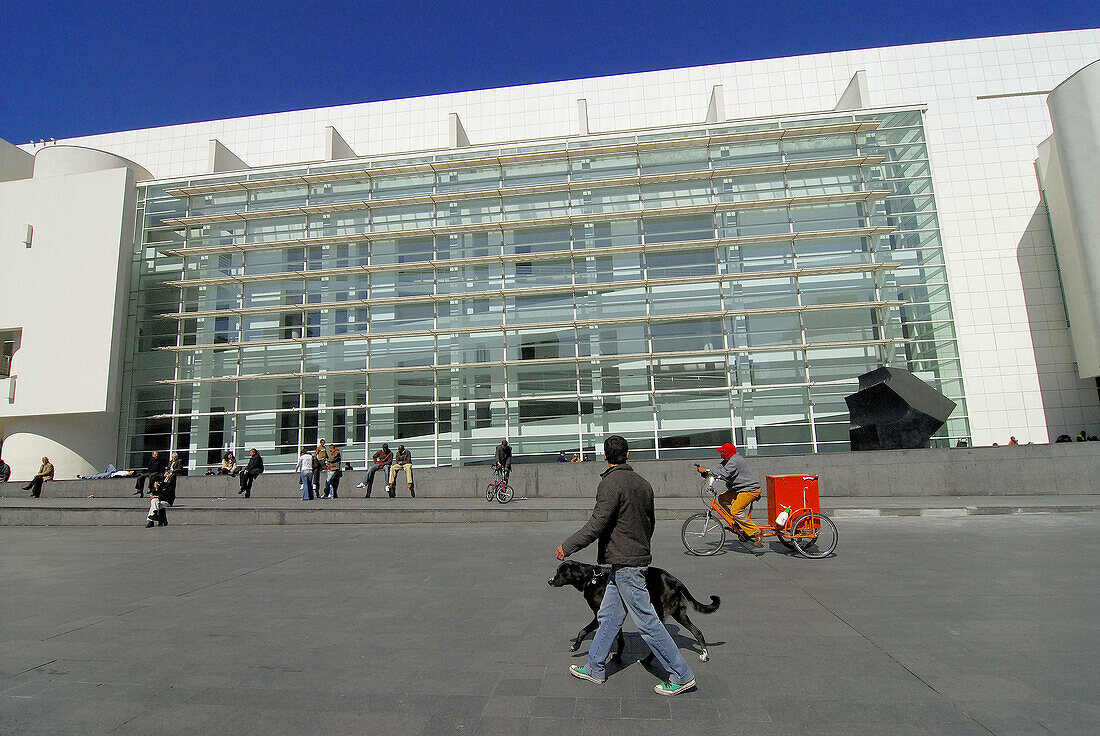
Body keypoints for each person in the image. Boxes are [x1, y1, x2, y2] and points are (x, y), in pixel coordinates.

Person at [554, 435, 696, 696]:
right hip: (627, 562)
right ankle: (595, 667)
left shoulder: (610, 484)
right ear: (627, 455)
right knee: (609, 616)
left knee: (646, 621)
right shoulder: (643, 484)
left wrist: (568, 546)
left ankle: (681, 674)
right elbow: (650, 523)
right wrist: (640, 547)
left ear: (606, 456)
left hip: (626, 564)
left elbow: (597, 524)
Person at [695, 442, 763, 547]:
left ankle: (757, 532)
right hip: (740, 489)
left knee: (736, 511)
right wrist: (706, 473)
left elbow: (724, 474)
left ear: (727, 452)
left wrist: (707, 470)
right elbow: (718, 469)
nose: (721, 454)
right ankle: (737, 523)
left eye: (722, 452)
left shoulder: (735, 460)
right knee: (722, 498)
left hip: (750, 490)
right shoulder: (727, 460)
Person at [146, 453, 180, 527]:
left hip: (167, 500)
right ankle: (153, 517)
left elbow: (168, 493)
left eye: (167, 473)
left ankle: (150, 521)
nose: (166, 473)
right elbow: (158, 492)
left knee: (155, 503)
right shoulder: (162, 480)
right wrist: (156, 488)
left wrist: (157, 496)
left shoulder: (171, 481)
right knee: (154, 501)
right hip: (160, 499)